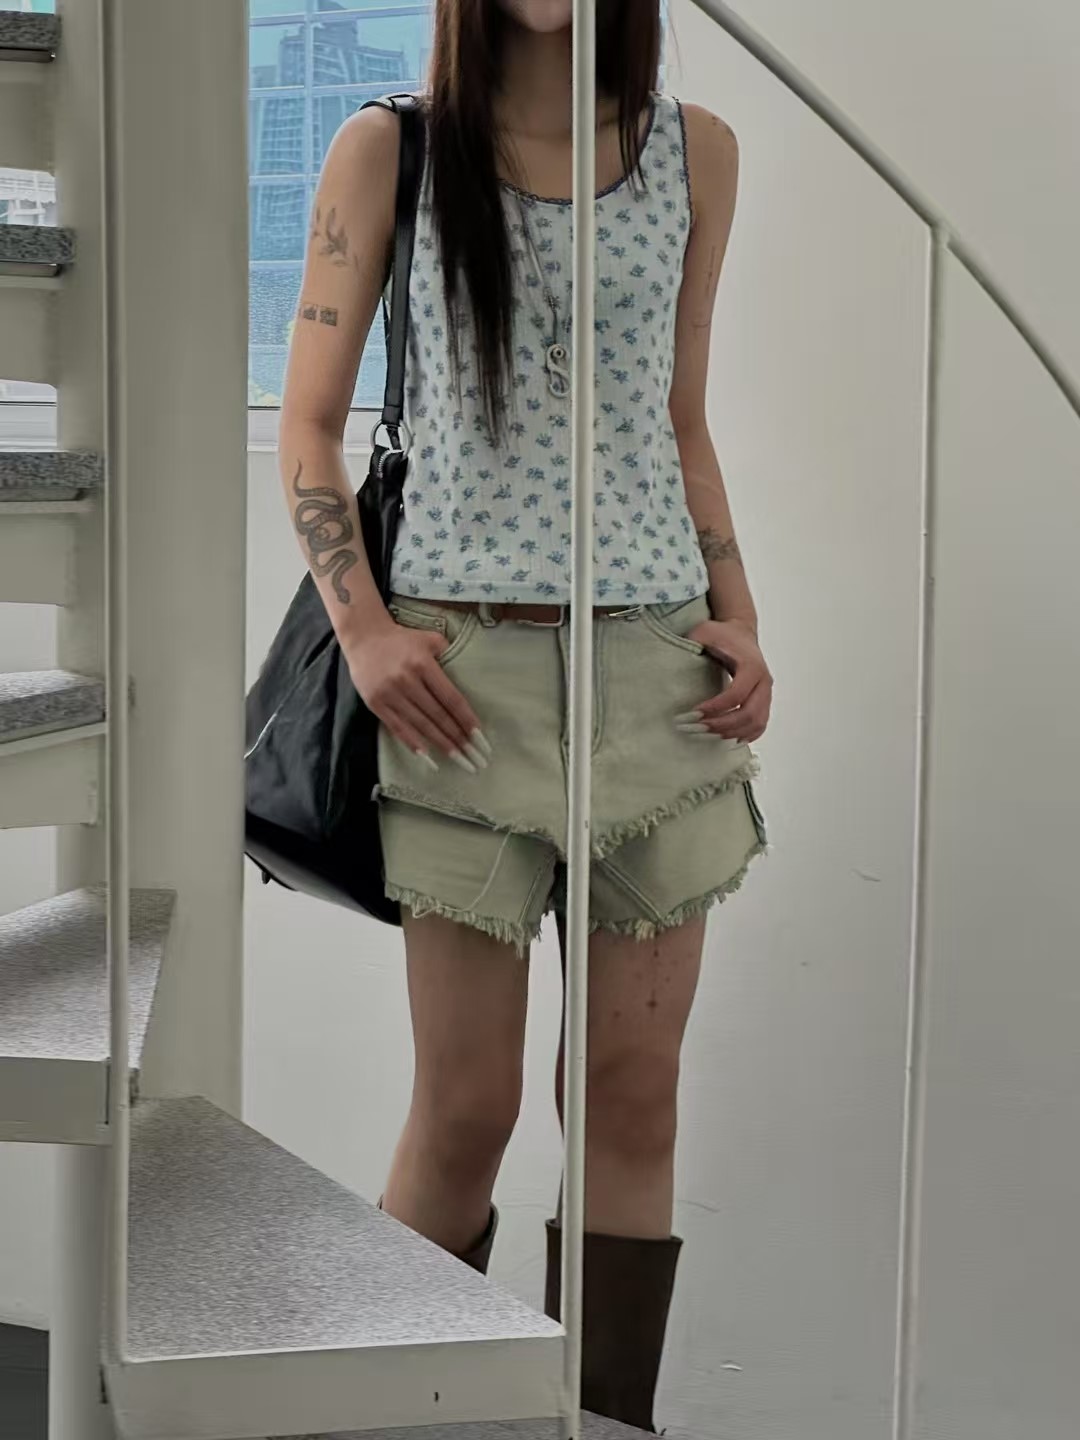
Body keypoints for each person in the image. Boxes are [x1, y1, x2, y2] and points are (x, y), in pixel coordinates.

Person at [278, 0, 773, 1427]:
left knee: (632, 1093)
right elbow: (309, 423)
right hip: (463, 689)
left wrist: (742, 615)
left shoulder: (698, 152)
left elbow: (679, 415)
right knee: (467, 1107)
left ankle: (601, 1423)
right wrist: (364, 632)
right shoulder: (393, 150)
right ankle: (405, 1415)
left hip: (661, 677)